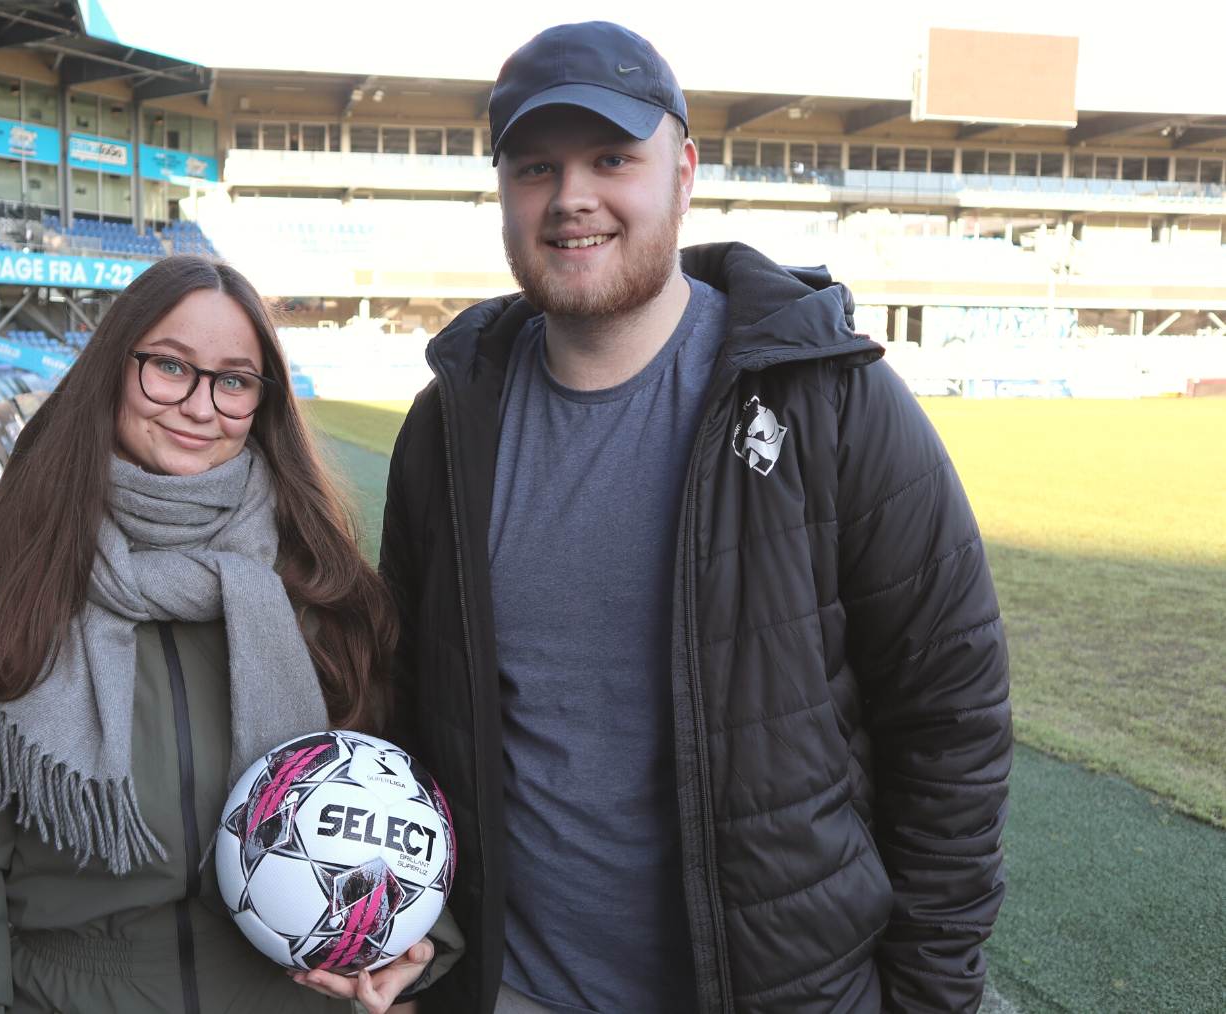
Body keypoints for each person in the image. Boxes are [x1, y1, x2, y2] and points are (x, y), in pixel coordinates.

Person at [378, 22, 1012, 1014]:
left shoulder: (828, 402)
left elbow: (951, 718)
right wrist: (404, 927)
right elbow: (412, 707)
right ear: (503, 191)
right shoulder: (448, 428)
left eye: (612, 159)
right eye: (536, 166)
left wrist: (930, 991)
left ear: (682, 175)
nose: (571, 196)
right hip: (511, 991)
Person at [0, 256, 457, 1013]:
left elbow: (403, 793)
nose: (201, 406)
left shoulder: (320, 582)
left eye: (234, 380)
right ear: (112, 369)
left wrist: (419, 939)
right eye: (170, 367)